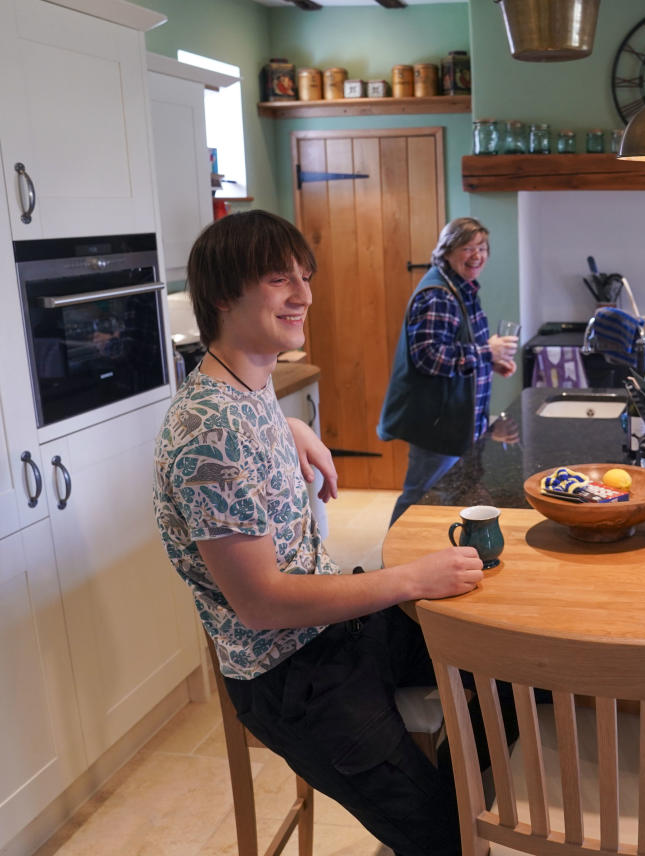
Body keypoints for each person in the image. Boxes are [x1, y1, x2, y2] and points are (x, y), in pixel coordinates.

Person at [152, 211, 484, 856]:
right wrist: (410, 580)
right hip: (293, 676)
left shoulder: (246, 388)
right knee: (447, 836)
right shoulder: (208, 432)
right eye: (280, 280)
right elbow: (263, 602)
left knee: (504, 672)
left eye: (305, 277)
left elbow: (251, 430)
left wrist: (291, 429)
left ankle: (452, 788)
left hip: (339, 632)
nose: (303, 295)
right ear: (225, 295)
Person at [385, 217, 517, 526]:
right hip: (438, 422)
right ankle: (393, 563)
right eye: (467, 247)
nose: (477, 255)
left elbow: (454, 347)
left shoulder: (461, 288)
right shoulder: (439, 295)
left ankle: (429, 556)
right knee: (422, 495)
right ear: (446, 251)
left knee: (449, 493)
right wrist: (487, 351)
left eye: (482, 248)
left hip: (456, 419)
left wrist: (490, 361)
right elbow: (429, 356)